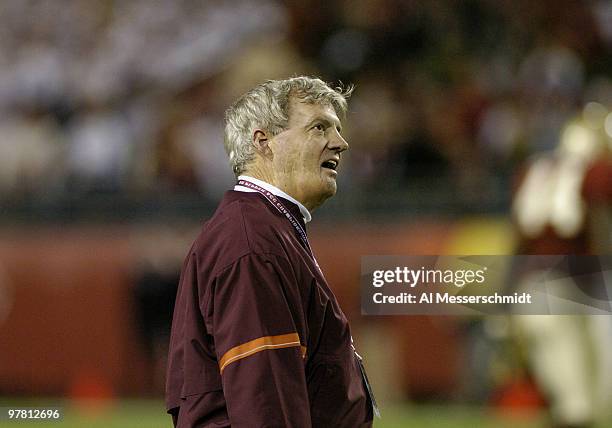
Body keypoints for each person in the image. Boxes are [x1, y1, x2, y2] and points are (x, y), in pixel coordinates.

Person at [165, 77, 376, 427]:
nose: (340, 143)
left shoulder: (267, 226)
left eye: (337, 129)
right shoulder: (253, 241)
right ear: (264, 141)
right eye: (319, 127)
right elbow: (264, 396)